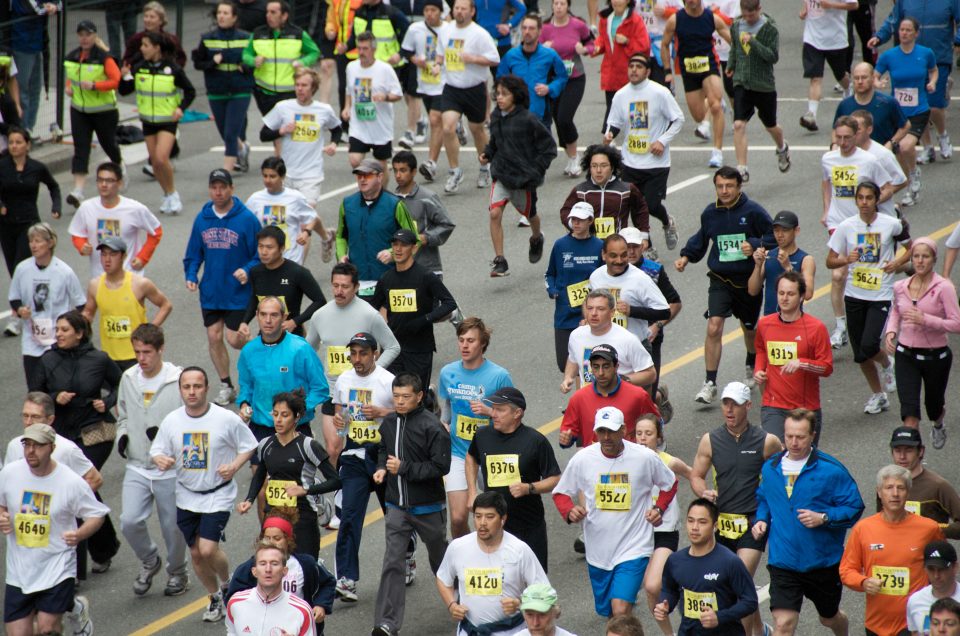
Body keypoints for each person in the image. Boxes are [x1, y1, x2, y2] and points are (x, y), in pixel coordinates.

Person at [150, 366, 259, 623]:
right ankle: (214, 597)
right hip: (186, 495)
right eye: (186, 387)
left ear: (206, 388)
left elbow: (249, 445)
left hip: (217, 494)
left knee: (208, 549)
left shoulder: (225, 418)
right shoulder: (172, 421)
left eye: (197, 386)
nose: (192, 391)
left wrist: (233, 466)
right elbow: (157, 450)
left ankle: (227, 582)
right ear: (180, 390)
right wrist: (161, 459)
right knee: (196, 554)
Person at [553, 406, 678, 617]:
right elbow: (561, 493)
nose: (606, 436)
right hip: (598, 551)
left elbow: (670, 483)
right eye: (601, 431)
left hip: (634, 547)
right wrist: (569, 511)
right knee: (611, 614)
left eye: (611, 431)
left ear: (624, 430)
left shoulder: (644, 457)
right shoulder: (583, 459)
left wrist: (659, 508)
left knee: (620, 608)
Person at [751, 409, 863, 636]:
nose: (793, 442)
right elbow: (764, 498)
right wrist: (761, 520)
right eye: (789, 436)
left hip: (822, 563)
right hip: (783, 562)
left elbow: (854, 507)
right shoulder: (770, 468)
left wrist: (824, 518)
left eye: (800, 437)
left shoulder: (831, 470)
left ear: (812, 435)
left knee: (829, 618)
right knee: (783, 624)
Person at [675, 166, 774, 403]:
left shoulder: (753, 212)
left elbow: (774, 236)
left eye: (729, 186)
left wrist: (754, 243)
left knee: (749, 329)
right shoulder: (710, 213)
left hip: (748, 279)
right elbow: (701, 238)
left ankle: (751, 361)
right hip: (720, 279)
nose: (724, 190)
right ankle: (710, 382)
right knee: (714, 326)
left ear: (739, 187)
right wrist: (686, 256)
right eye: (720, 186)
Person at [689, 381, 781, 636]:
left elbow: (783, 475)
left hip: (753, 521)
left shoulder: (767, 441)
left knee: (738, 579)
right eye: (725, 404)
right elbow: (696, 475)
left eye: (735, 405)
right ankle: (760, 630)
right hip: (722, 521)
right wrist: (703, 491)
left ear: (748, 406)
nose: (729, 410)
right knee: (741, 586)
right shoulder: (710, 440)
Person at [35, 310, 122, 574]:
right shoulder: (47, 360)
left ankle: (77, 565)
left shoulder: (98, 358)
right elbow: (35, 393)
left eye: (64, 330)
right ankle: (104, 546)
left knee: (79, 485)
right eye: (57, 329)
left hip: (95, 431)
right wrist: (54, 395)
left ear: (80, 333)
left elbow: (121, 384)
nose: (58, 334)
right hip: (60, 435)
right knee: (81, 491)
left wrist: (105, 402)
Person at [0, 423, 108, 636]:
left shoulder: (70, 481)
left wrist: (79, 534)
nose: (31, 451)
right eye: (27, 445)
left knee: (47, 629)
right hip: (19, 571)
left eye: (38, 446)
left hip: (57, 566)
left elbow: (96, 514)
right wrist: (2, 516)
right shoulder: (10, 473)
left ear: (51, 447)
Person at [371, 373, 451, 636]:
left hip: (428, 507)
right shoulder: (389, 423)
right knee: (392, 562)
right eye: (396, 396)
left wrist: (403, 468)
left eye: (406, 397)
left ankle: (465, 603)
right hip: (396, 507)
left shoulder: (433, 427)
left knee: (442, 561)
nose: (400, 402)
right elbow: (383, 449)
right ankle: (386, 624)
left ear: (419, 397)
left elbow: (441, 466)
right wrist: (382, 468)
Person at [116, 324, 189, 597]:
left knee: (172, 527)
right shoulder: (128, 378)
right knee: (129, 521)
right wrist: (123, 437)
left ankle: (177, 572)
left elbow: (191, 420)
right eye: (137, 352)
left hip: (169, 469)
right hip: (137, 465)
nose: (141, 358)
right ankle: (150, 560)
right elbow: (122, 415)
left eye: (147, 352)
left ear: (161, 349)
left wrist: (171, 445)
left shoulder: (178, 379)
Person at [826, 180, 911, 413]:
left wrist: (897, 263)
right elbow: (830, 260)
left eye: (869, 198)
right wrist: (846, 259)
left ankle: (886, 363)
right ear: (856, 200)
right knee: (860, 354)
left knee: (869, 344)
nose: (864, 203)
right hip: (854, 295)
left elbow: (912, 247)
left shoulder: (891, 224)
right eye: (860, 198)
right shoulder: (846, 227)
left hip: (880, 295)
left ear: (876, 200)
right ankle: (878, 394)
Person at [305, 262, 401, 468]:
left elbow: (393, 346)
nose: (339, 291)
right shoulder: (320, 316)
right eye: (335, 285)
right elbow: (307, 352)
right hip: (333, 392)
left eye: (345, 286)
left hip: (364, 392)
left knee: (367, 445)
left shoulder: (369, 314)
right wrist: (314, 379)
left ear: (356, 287)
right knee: (333, 448)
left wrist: (371, 372)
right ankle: (342, 493)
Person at [183, 169, 262, 406]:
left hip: (237, 292)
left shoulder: (246, 219)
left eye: (222, 187)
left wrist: (247, 270)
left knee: (235, 339)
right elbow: (193, 253)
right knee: (213, 335)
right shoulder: (202, 218)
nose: (218, 192)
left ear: (231, 189)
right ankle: (227, 385)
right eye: (214, 187)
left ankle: (263, 359)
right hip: (211, 291)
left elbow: (260, 254)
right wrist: (191, 274)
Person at [330, 332, 398, 601]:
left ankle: (406, 555)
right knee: (349, 515)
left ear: (375, 354)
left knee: (394, 516)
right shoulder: (344, 380)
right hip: (354, 453)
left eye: (363, 353)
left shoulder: (387, 381)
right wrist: (339, 422)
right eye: (353, 353)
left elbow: (407, 414)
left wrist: (383, 413)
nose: (357, 359)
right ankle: (346, 578)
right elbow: (340, 411)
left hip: (383, 455)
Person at [840, 465, 943, 636]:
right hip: (877, 623)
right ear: (879, 492)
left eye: (900, 488)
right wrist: (863, 582)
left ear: (908, 493)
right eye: (889, 488)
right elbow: (846, 570)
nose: (895, 493)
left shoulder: (928, 529)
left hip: (916, 621)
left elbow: (944, 566)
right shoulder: (863, 529)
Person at [465, 387, 561, 571]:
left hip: (528, 523)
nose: (493, 414)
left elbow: (555, 478)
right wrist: (472, 492)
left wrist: (529, 488)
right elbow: (471, 458)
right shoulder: (482, 436)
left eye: (500, 410)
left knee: (533, 585)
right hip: (494, 524)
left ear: (517, 413)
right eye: (493, 408)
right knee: (498, 579)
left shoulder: (535, 441)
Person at [238, 389, 341, 559]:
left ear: (297, 417)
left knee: (306, 565)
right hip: (274, 514)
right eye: (275, 414)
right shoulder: (265, 444)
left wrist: (305, 490)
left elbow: (336, 481)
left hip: (302, 514)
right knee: (272, 562)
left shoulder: (308, 446)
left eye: (284, 415)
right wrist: (249, 499)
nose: (278, 420)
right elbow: (260, 474)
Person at [822, 120, 895, 350]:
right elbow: (826, 183)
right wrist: (826, 209)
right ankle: (840, 325)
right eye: (839, 138)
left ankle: (878, 311)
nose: (842, 143)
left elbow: (888, 187)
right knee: (837, 275)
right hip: (838, 223)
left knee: (864, 269)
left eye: (847, 138)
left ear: (856, 136)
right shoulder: (828, 158)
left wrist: (870, 205)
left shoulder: (869, 160)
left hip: (863, 225)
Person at [439, 316, 514, 539]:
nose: (464, 345)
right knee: (459, 518)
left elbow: (514, 415)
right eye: (461, 340)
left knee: (498, 515)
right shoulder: (447, 373)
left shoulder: (499, 376)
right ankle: (467, 556)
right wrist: (442, 424)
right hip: (459, 452)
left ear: (483, 343)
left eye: (471, 340)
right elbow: (446, 408)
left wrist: (490, 412)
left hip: (492, 453)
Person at [436, 491, 550, 635]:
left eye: (490, 517)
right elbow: (442, 578)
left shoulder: (520, 550)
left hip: (511, 631)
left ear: (503, 519)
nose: (482, 523)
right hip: (470, 630)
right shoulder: (458, 547)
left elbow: (545, 593)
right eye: (478, 516)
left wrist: (521, 604)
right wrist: (452, 605)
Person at [602, 55, 683, 252]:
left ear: (647, 71)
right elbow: (615, 122)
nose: (634, 70)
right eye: (631, 66)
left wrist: (662, 141)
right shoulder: (621, 95)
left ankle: (667, 222)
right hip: (630, 162)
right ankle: (648, 248)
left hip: (656, 163)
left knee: (652, 205)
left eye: (639, 66)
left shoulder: (660, 92)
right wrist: (610, 133)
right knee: (634, 207)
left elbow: (678, 119)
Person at [884, 238, 960, 449]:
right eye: (916, 256)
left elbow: (956, 323)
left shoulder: (944, 288)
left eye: (925, 256)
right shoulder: (901, 286)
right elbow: (896, 311)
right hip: (905, 355)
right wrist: (891, 331)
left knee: (933, 407)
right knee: (909, 414)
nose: (919, 261)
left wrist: (925, 320)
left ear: (934, 259)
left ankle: (938, 423)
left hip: (936, 356)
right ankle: (913, 461)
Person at [481, 74, 556, 277]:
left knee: (530, 214)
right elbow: (495, 142)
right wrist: (487, 154)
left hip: (524, 180)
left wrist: (536, 170)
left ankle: (536, 237)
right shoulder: (496, 117)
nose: (499, 98)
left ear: (516, 95)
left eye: (504, 94)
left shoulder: (528, 119)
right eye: (497, 94)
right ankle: (500, 260)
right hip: (501, 174)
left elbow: (549, 148)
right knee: (494, 213)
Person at [869, 0, 960, 165]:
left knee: (934, 105)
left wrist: (958, 40)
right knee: (917, 106)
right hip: (908, 60)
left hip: (938, 56)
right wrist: (879, 37)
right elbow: (893, 20)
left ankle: (942, 135)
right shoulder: (905, 1)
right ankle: (927, 147)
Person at [260, 67, 342, 244]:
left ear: (313, 88)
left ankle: (297, 268)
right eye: (297, 85)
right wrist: (281, 130)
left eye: (304, 85)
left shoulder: (323, 110)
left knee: (303, 223)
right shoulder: (283, 107)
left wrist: (334, 144)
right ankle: (327, 237)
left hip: (311, 174)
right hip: (287, 173)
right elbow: (263, 134)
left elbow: (337, 129)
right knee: (299, 217)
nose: (300, 89)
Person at [653, 498, 760, 634]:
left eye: (702, 522)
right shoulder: (675, 561)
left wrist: (719, 617)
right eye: (690, 520)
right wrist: (664, 605)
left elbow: (750, 601)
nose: (695, 527)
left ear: (715, 526)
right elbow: (670, 590)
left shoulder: (730, 561)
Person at [118, 31, 196, 215]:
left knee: (162, 158)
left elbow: (190, 91)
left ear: (156, 47)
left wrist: (180, 108)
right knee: (155, 163)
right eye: (142, 45)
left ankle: (173, 193)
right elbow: (125, 90)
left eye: (146, 45)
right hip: (147, 121)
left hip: (167, 120)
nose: (142, 49)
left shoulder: (173, 69)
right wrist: (125, 76)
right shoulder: (140, 67)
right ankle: (166, 194)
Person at [236, 296, 329, 449]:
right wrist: (244, 404)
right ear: (257, 315)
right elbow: (246, 387)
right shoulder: (248, 351)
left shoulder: (300, 348)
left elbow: (320, 388)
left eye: (274, 315)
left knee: (293, 473)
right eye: (263, 314)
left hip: (295, 428)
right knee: (259, 472)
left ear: (284, 317)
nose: (268, 320)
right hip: (261, 427)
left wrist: (300, 410)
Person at [372, 228, 457, 387]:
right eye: (395, 244)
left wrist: (424, 320)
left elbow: (449, 303)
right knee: (394, 396)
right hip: (393, 349)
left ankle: (429, 400)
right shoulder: (386, 279)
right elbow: (371, 308)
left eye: (403, 245)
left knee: (417, 397)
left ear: (414, 247)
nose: (397, 249)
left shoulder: (425, 276)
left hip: (420, 348)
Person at [752, 271, 832, 442]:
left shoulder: (816, 328)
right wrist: (759, 370)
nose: (784, 298)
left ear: (802, 296)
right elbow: (761, 350)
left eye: (790, 294)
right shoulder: (765, 324)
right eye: (781, 293)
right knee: (775, 455)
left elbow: (827, 367)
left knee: (803, 461)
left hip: (805, 409)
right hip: (773, 405)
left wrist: (802, 363)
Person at [225, 512, 336, 631]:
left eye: (277, 538)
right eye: (267, 538)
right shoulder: (250, 567)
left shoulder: (306, 564)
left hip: (295, 624)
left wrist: (321, 605)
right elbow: (233, 598)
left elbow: (328, 582)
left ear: (288, 540)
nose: (272, 542)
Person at [0, 128, 62, 335]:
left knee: (20, 267)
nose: (14, 146)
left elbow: (54, 186)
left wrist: (56, 207)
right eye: (11, 142)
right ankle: (28, 307)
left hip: (29, 225)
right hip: (6, 225)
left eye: (18, 142)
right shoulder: (2, 166)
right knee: (14, 270)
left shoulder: (37, 167)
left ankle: (17, 317)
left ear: (27, 145)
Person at [436, 0, 501, 193]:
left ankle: (484, 167)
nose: (459, 11)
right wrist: (437, 64)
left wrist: (473, 58)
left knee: (477, 129)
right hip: (452, 87)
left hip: (474, 88)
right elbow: (441, 55)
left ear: (472, 11)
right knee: (447, 127)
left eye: (464, 9)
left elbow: (494, 58)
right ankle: (455, 171)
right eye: (457, 8)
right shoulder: (445, 31)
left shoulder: (479, 34)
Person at [635, 414, 692, 636]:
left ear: (658, 437)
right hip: (637, 533)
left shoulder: (668, 461)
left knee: (652, 586)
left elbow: (692, 474)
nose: (642, 439)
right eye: (639, 434)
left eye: (648, 434)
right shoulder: (628, 462)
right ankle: (669, 632)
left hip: (664, 533)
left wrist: (707, 495)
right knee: (647, 591)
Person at [8, 224, 85, 387]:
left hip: (58, 341)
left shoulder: (64, 271)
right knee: (35, 390)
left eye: (38, 241)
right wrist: (21, 309)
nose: (33, 245)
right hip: (31, 340)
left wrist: (73, 332)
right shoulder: (22, 269)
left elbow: (81, 305)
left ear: (50, 243)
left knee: (59, 389)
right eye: (31, 241)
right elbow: (14, 298)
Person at [873, 18, 937, 207]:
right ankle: (908, 177)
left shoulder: (926, 53)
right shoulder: (889, 56)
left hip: (919, 109)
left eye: (909, 30)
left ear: (916, 33)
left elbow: (934, 71)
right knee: (897, 150)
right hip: (897, 110)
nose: (904, 33)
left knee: (906, 146)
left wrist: (932, 82)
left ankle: (913, 175)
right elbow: (876, 75)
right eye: (902, 29)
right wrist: (878, 83)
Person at [82, 237, 172, 370]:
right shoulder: (95, 285)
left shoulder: (139, 284)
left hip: (136, 354)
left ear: (123, 256)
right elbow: (89, 312)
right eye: (104, 254)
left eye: (113, 254)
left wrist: (149, 330)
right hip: (108, 355)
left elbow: (166, 305)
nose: (107, 259)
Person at [661, 0, 731, 168]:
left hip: (709, 66)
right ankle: (715, 100)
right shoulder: (675, 20)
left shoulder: (712, 18)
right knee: (699, 116)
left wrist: (734, 63)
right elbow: (664, 45)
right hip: (689, 71)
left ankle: (717, 152)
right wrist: (667, 72)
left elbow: (731, 39)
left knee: (715, 106)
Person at [620, 226, 682, 415]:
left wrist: (657, 325)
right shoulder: (610, 271)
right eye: (626, 247)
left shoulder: (653, 271)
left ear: (643, 246)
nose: (630, 251)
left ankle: (655, 435)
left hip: (649, 340)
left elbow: (675, 303)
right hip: (620, 339)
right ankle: (658, 398)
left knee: (645, 395)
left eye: (635, 247)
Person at [726, 0, 790, 181]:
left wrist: (753, 42)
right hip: (742, 82)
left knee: (770, 125)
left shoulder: (770, 28)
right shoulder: (737, 24)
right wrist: (731, 65)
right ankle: (742, 168)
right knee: (738, 124)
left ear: (759, 10)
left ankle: (782, 147)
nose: (748, 18)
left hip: (763, 85)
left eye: (751, 15)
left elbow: (772, 56)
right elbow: (735, 48)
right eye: (745, 14)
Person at [335, 158, 419, 295]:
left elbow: (414, 240)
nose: (362, 179)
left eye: (367, 175)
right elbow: (340, 237)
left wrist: (392, 253)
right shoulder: (347, 204)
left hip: (390, 278)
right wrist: (341, 255)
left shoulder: (395, 205)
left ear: (380, 177)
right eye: (359, 175)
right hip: (358, 281)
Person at [63, 21, 124, 208]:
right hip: (79, 110)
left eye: (88, 34)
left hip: (103, 110)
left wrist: (95, 85)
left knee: (108, 144)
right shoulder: (73, 57)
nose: (84, 38)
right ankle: (78, 191)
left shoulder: (104, 58)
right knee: (81, 149)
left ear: (95, 36)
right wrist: (68, 88)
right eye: (81, 34)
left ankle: (119, 166)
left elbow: (116, 80)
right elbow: (70, 79)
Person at [69, 161, 162, 280]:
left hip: (130, 277)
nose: (103, 184)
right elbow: (77, 233)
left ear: (120, 183)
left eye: (109, 181)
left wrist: (142, 258)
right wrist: (82, 246)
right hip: (100, 278)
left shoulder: (134, 208)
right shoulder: (86, 208)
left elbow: (156, 231)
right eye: (100, 180)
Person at [192, 2, 255, 173]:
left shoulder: (246, 37)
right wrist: (213, 62)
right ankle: (242, 149)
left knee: (230, 133)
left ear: (234, 17)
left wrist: (246, 66)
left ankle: (225, 173)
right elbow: (198, 63)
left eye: (226, 13)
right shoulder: (208, 38)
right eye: (219, 13)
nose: (221, 16)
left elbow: (255, 61)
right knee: (226, 133)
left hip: (240, 90)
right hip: (216, 91)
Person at [559, 344, 658, 448]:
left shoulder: (638, 395)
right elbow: (568, 431)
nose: (601, 373)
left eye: (606, 366)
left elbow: (656, 425)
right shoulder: (578, 398)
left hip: (629, 461)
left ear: (616, 367)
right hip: (594, 462)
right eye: (596, 367)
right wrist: (566, 439)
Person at [5, 393, 103, 496]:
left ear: (50, 420)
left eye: (35, 417)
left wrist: (67, 505)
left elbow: (95, 479)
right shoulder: (14, 446)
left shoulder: (66, 448)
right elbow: (7, 482)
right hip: (23, 509)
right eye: (25, 416)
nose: (28, 422)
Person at [546, 202, 604, 373]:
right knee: (564, 364)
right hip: (565, 314)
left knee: (588, 366)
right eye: (573, 219)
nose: (576, 223)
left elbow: (605, 278)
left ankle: (585, 398)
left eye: (580, 220)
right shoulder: (560, 245)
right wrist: (552, 289)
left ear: (590, 221)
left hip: (591, 315)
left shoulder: (599, 246)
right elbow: (549, 274)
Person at [241, 225, 327, 339]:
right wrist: (244, 322)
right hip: (266, 336)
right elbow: (255, 298)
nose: (264, 252)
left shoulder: (297, 272)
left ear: (282, 248)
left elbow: (320, 301)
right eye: (260, 246)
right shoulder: (255, 272)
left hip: (293, 337)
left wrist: (295, 322)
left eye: (269, 247)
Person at [561, 291, 657, 392]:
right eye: (590, 308)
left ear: (612, 312)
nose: (593, 313)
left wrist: (622, 381)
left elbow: (650, 374)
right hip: (590, 403)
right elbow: (573, 359)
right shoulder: (576, 336)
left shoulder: (628, 339)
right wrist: (568, 377)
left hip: (618, 403)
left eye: (600, 309)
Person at [559, 145, 651, 249]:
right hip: (587, 245)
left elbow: (641, 210)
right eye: (594, 166)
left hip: (618, 246)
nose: (598, 170)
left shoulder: (627, 189)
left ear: (612, 167)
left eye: (603, 166)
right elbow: (566, 210)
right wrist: (574, 225)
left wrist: (643, 236)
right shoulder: (580, 190)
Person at [541, 0, 594, 176]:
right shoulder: (545, 28)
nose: (558, 7)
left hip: (574, 79)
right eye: (555, 3)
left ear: (568, 6)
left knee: (564, 117)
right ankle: (571, 158)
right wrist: (543, 48)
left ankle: (575, 158)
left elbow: (592, 45)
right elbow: (534, 50)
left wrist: (584, 49)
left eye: (562, 3)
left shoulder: (578, 25)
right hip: (554, 79)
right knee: (557, 119)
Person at [588, 233, 670, 347]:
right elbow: (591, 305)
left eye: (623, 255)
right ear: (603, 255)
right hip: (605, 346)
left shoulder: (640, 278)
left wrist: (631, 311)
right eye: (613, 256)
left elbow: (665, 312)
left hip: (635, 346)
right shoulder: (595, 277)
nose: (619, 260)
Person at [243, 0, 320, 117]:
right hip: (264, 92)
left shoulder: (298, 34)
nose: (268, 15)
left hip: (289, 91)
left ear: (284, 16)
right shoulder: (258, 33)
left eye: (273, 12)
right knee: (271, 129)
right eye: (267, 12)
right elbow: (246, 54)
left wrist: (302, 62)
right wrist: (253, 61)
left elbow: (314, 52)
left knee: (287, 127)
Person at [342, 32, 403, 175]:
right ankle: (369, 184)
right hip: (359, 124)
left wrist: (385, 97)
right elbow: (349, 90)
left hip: (380, 126)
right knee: (355, 160)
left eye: (365, 49)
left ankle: (380, 192)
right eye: (359, 48)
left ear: (374, 49)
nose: (361, 52)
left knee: (381, 168)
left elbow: (398, 94)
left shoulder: (385, 69)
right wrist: (346, 107)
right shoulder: (351, 67)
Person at [225, 541, 317, 636]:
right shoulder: (235, 603)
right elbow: (231, 632)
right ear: (254, 571)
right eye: (263, 563)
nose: (268, 569)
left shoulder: (302, 611)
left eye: (274, 563)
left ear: (284, 571)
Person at [244, 158, 323, 267]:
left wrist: (306, 232)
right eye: (265, 176)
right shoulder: (255, 199)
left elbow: (313, 217)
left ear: (282, 176)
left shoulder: (295, 197)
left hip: (290, 258)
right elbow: (245, 223)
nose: (267, 180)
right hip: (265, 258)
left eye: (272, 176)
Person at [399, 0, 446, 182]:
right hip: (425, 83)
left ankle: (431, 163)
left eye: (433, 10)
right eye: (426, 10)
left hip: (445, 82)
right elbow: (406, 51)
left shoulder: (448, 29)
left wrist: (440, 64)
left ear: (440, 12)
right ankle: (456, 122)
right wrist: (415, 59)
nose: (429, 13)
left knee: (436, 119)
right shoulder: (415, 29)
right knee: (438, 121)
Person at [391, 150, 456, 278]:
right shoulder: (390, 201)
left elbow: (447, 224)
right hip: (399, 269)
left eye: (403, 170)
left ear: (414, 172)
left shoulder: (428, 197)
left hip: (427, 268)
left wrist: (426, 238)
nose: (398, 175)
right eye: (395, 170)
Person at [888, 426, 960, 540]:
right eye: (897, 451)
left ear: (921, 451)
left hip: (929, 555)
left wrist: (931, 528)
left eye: (908, 450)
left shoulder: (938, 486)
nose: (902, 456)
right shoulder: (886, 484)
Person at [797, 0, 856, 133]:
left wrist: (831, 5)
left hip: (835, 40)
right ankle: (811, 114)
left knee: (840, 75)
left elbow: (854, 5)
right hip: (812, 39)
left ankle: (848, 89)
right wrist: (805, 10)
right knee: (815, 78)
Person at [498, 14, 567, 125]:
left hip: (541, 116)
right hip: (515, 115)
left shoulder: (550, 55)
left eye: (531, 28)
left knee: (543, 142)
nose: (527, 32)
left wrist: (549, 88)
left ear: (539, 31)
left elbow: (562, 77)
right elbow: (500, 80)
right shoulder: (511, 56)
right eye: (524, 28)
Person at [747, 211, 815, 318]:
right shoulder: (768, 255)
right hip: (770, 320)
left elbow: (808, 294)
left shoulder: (806, 259)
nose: (779, 235)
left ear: (796, 231)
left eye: (785, 230)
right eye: (776, 230)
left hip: (793, 320)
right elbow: (752, 290)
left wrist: (788, 268)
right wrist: (757, 266)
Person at [595, 0, 650, 131]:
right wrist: (595, 47)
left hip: (631, 71)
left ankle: (639, 137)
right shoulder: (605, 19)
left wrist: (627, 41)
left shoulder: (635, 20)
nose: (616, 1)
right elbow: (602, 40)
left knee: (636, 104)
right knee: (612, 106)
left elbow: (644, 46)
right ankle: (609, 136)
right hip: (611, 71)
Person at [9, 0, 57, 139]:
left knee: (35, 88)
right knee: (22, 89)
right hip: (22, 46)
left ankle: (29, 128)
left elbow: (59, 4)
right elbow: (31, 8)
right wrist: (48, 7)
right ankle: (23, 130)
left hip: (37, 45)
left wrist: (52, 5)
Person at [833, 61, 909, 146]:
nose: (860, 81)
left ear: (873, 78)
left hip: (881, 153)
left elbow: (905, 126)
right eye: (856, 78)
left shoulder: (888, 102)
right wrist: (834, 145)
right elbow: (835, 129)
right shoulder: (844, 105)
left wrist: (892, 143)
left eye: (864, 77)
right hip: (853, 153)